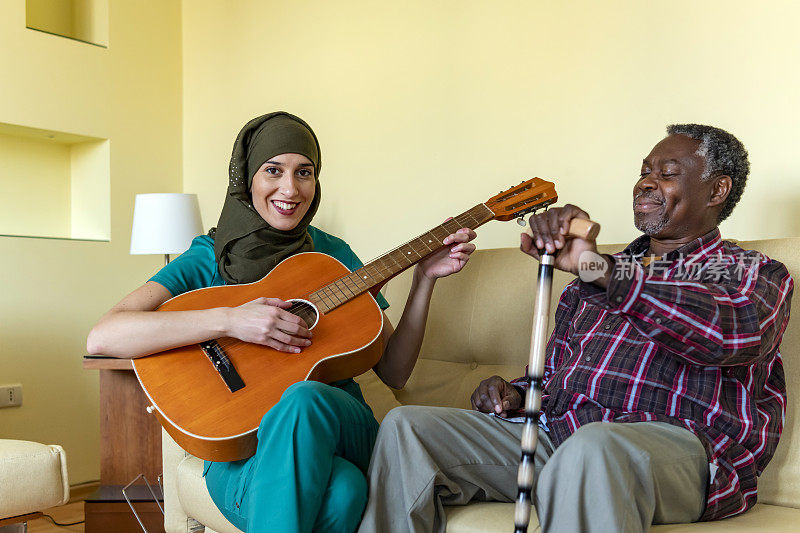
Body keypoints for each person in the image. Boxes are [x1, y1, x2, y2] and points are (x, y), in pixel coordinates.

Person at [358, 124, 794, 533]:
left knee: (595, 448)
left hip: (680, 448)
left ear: (717, 189)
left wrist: (598, 269)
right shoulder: (590, 282)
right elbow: (554, 381)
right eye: (644, 171)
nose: (645, 182)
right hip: (564, 435)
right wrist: (515, 394)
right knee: (407, 428)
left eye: (667, 173)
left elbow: (732, 334)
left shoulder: (750, 272)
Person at [86, 112, 477, 533]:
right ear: (247, 178)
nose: (290, 189)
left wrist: (423, 281)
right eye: (273, 170)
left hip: (342, 425)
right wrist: (230, 320)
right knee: (343, 491)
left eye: (304, 173)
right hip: (244, 452)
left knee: (302, 398)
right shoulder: (209, 256)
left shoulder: (331, 255)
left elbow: (396, 373)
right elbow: (105, 334)